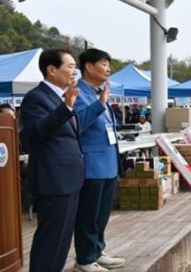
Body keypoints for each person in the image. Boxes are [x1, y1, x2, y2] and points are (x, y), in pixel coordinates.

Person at [20, 49, 83, 272]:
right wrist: (65, 108)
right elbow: (37, 132)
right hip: (54, 180)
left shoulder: (62, 97)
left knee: (62, 240)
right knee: (50, 241)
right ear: (51, 70)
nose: (74, 71)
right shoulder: (36, 98)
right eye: (70, 66)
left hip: (69, 180)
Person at [72, 48, 125, 272]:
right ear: (89, 66)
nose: (108, 69)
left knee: (102, 214)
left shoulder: (97, 92)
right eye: (103, 63)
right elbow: (78, 124)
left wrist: (101, 100)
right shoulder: (77, 93)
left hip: (108, 163)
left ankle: (96, 251)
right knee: (88, 215)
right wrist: (100, 103)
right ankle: (84, 259)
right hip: (92, 165)